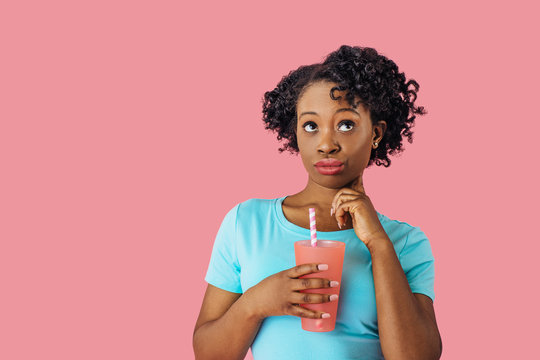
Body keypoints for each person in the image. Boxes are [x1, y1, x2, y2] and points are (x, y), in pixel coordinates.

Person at [193, 45, 442, 360]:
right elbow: (207, 353)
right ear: (295, 132)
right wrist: (255, 302)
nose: (326, 144)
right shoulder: (246, 222)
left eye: (346, 125)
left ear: (376, 133)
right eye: (311, 126)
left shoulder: (405, 242)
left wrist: (378, 243)